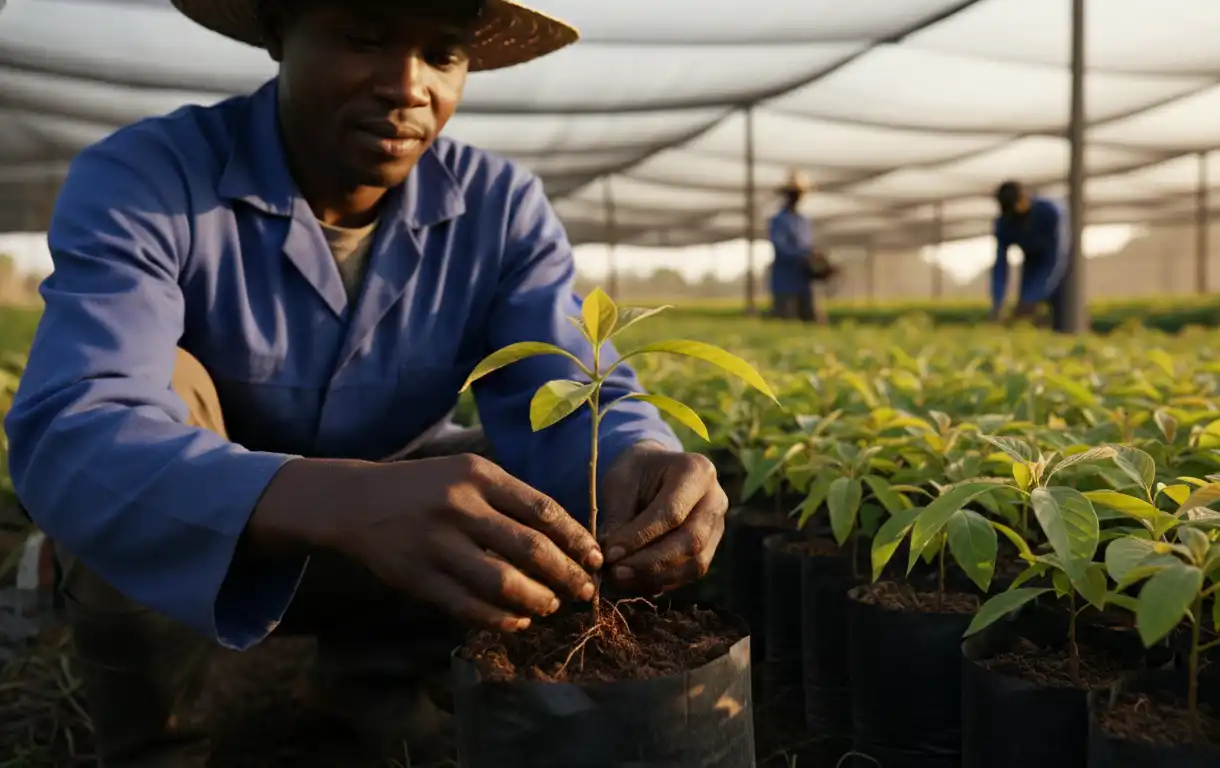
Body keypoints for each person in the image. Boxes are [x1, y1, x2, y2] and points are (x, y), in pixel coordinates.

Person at [3, 1, 729, 765]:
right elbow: (74, 425)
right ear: (281, 31)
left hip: (399, 534)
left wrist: (635, 455)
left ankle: (371, 684)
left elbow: (563, 383)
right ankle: (159, 738)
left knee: (535, 487)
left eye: (443, 55)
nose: (408, 86)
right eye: (363, 36)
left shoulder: (499, 208)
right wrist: (334, 499)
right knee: (138, 434)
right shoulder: (152, 177)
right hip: (214, 531)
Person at [990, 180, 1071, 330]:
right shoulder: (1004, 223)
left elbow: (1057, 256)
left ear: (1023, 198)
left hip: (1062, 262)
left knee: (1066, 312)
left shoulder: (1049, 212)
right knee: (1025, 312)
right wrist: (998, 302)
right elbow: (1000, 266)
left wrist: (1034, 296)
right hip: (1032, 262)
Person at [767, 170, 829, 322]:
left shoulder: (804, 221)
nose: (796, 197)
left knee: (812, 319)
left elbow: (807, 245)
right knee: (786, 319)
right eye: (792, 193)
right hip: (784, 281)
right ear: (786, 195)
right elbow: (780, 248)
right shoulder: (778, 220)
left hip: (804, 280)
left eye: (799, 193)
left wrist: (817, 258)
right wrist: (804, 255)